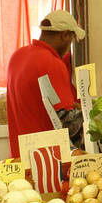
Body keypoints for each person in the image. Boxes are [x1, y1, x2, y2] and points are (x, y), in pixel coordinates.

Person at [5, 9, 87, 157]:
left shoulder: (17, 56)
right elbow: (67, 121)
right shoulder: (52, 63)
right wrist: (94, 117)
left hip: (20, 156)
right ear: (65, 35)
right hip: (47, 161)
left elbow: (40, 103)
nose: (70, 45)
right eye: (72, 38)